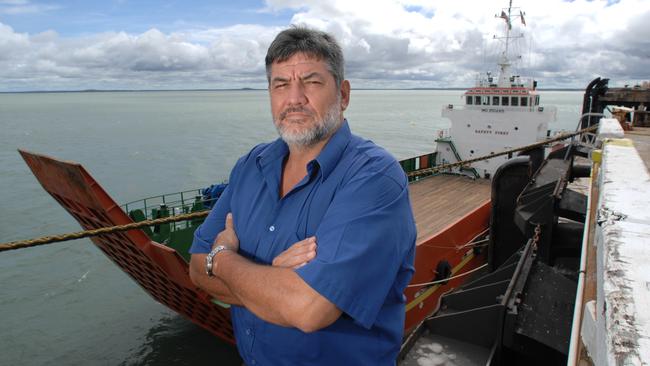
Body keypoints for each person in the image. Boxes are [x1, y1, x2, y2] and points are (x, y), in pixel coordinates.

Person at [189, 26, 416, 365]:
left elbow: (308, 309)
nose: (294, 98)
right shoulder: (251, 165)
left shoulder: (374, 177)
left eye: (310, 81)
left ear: (343, 94)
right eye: (281, 84)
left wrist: (222, 259)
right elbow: (195, 268)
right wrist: (273, 277)